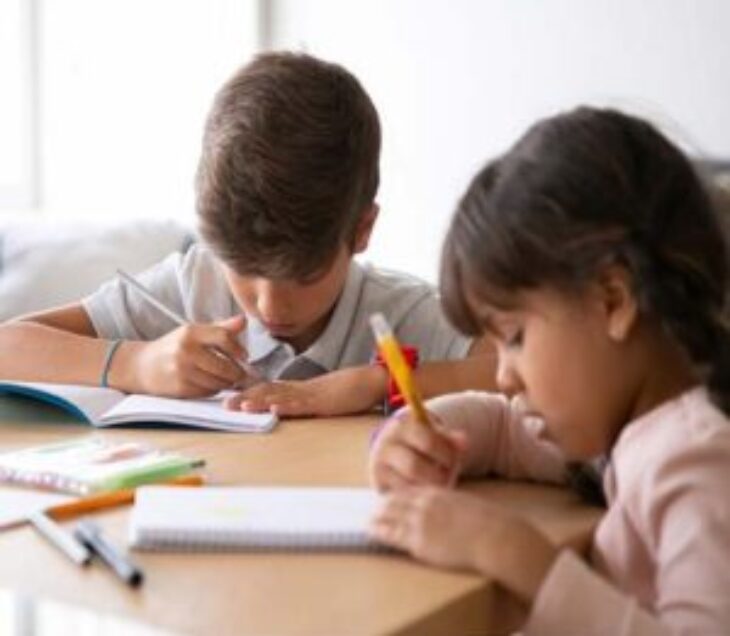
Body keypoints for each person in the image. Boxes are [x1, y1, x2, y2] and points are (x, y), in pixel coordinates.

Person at [368, 107, 730, 633]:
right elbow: (506, 430)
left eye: (515, 339)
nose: (503, 376)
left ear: (612, 300)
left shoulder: (696, 462)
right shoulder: (632, 433)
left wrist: (514, 554)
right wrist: (419, 436)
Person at [0, 52, 494, 416]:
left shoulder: (399, 315)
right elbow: (8, 345)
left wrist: (377, 383)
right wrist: (135, 362)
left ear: (362, 230)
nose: (271, 307)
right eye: (245, 269)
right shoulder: (195, 286)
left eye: (305, 273)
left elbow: (530, 378)